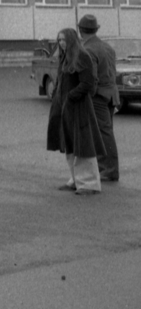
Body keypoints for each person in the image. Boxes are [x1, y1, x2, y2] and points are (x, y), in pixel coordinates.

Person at [48, 27, 103, 195]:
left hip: (79, 107)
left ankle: (89, 184)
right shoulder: (65, 58)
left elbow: (88, 83)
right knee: (70, 143)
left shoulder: (83, 56)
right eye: (59, 40)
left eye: (64, 40)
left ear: (71, 40)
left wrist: (71, 96)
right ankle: (76, 180)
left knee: (83, 144)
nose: (61, 43)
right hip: (65, 108)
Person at [78, 15, 121, 182]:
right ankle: (106, 169)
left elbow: (92, 78)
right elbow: (112, 72)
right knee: (105, 132)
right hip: (111, 94)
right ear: (96, 29)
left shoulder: (87, 49)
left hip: (98, 97)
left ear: (80, 31)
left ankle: (109, 171)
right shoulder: (107, 47)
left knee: (103, 134)